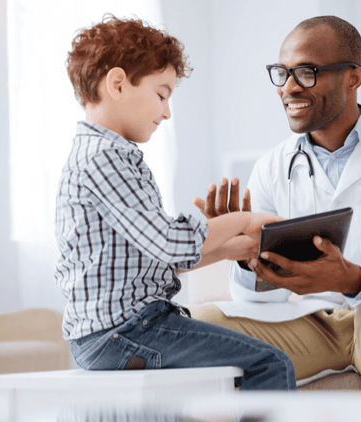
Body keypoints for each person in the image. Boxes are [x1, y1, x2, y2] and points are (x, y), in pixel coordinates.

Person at [192, 16, 361, 390]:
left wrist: (355, 278)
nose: (288, 87)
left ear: (353, 77)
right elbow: (257, 299)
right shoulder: (272, 167)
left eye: (306, 72)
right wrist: (242, 253)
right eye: (282, 73)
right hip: (315, 323)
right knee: (205, 323)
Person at [54, 15, 296, 391]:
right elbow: (169, 243)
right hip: (125, 331)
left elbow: (154, 260)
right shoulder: (107, 158)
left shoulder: (102, 154)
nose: (167, 112)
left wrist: (235, 250)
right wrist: (245, 220)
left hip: (112, 333)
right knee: (268, 364)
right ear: (117, 84)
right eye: (162, 94)